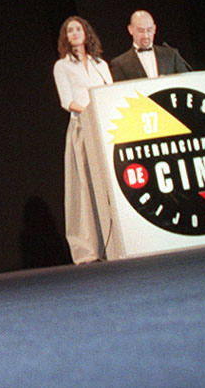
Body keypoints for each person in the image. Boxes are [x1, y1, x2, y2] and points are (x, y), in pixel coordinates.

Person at [52, 16, 113, 264]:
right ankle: (90, 248)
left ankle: (115, 242)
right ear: (66, 38)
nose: (75, 33)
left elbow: (111, 91)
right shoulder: (62, 66)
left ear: (86, 33)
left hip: (106, 129)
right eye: (70, 31)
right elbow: (67, 101)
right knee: (87, 186)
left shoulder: (101, 64)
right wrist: (89, 112)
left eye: (78, 29)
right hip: (83, 128)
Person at [109, 10, 191, 81]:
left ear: (155, 28)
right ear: (130, 30)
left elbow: (185, 80)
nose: (146, 36)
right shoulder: (120, 64)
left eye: (149, 30)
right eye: (141, 31)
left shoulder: (171, 55)